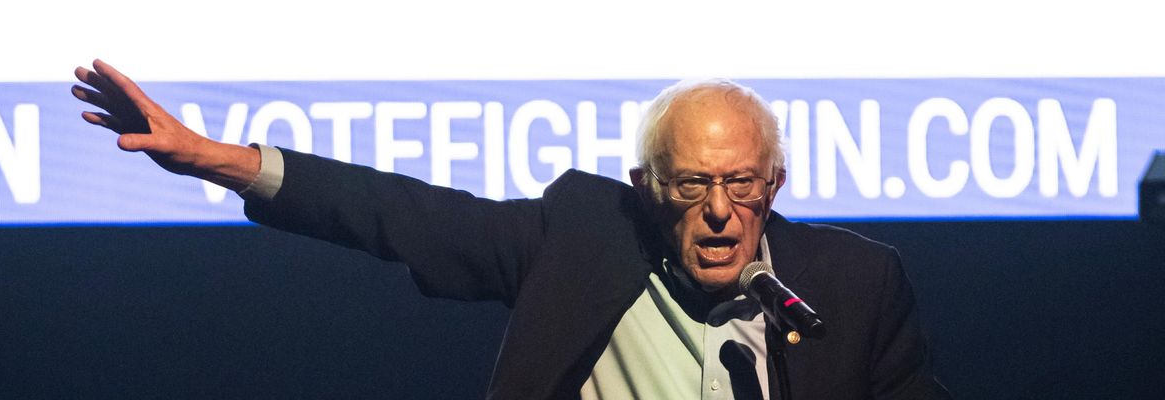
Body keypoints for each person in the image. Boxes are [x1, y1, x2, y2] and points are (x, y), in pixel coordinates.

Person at [72, 59, 951, 399]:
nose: (720, 211)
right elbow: (401, 217)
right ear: (648, 189)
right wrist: (214, 158)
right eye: (692, 186)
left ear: (775, 184)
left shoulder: (852, 285)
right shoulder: (581, 238)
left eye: (740, 184)